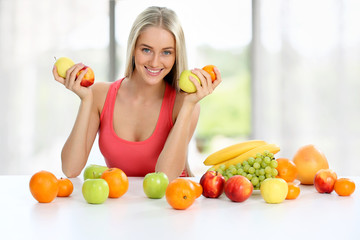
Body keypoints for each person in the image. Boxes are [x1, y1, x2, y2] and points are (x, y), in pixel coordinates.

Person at [52, 6, 222, 181]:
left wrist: (188, 106)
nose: (155, 62)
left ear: (176, 56)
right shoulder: (99, 95)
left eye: (166, 52)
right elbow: (70, 169)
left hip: (170, 202)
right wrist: (86, 100)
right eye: (146, 50)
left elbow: (164, 178)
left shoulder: (185, 104)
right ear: (133, 49)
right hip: (122, 202)